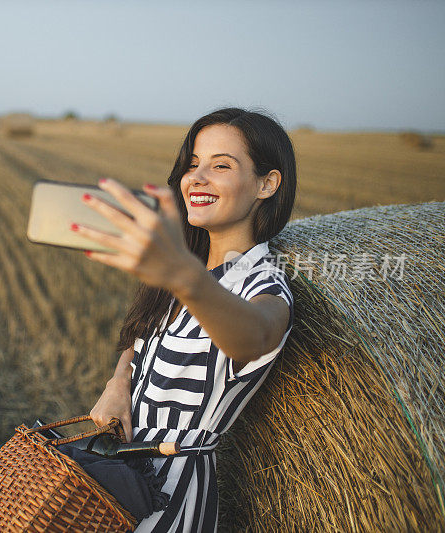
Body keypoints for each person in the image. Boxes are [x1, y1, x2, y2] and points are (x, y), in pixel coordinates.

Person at [70, 107, 296, 532]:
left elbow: (256, 335)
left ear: (267, 183)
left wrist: (183, 277)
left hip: (170, 504)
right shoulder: (186, 264)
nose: (197, 178)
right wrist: (119, 381)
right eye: (193, 165)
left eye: (221, 166)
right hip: (118, 480)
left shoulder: (260, 284)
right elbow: (140, 335)